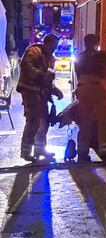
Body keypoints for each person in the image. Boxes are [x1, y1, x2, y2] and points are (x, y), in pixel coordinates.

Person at [74, 34, 106, 163]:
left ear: (85, 43)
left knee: (85, 121)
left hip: (82, 87)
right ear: (96, 43)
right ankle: (105, 151)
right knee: (104, 119)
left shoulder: (79, 57)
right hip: (96, 87)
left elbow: (78, 74)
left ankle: (82, 152)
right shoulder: (102, 56)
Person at [17, 33, 63, 161]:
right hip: (30, 92)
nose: (54, 48)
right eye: (53, 45)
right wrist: (42, 76)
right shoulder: (34, 51)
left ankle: (40, 149)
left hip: (41, 94)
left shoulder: (50, 59)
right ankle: (25, 152)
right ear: (47, 43)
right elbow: (27, 67)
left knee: (44, 122)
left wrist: (55, 90)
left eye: (56, 46)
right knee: (33, 121)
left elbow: (48, 81)